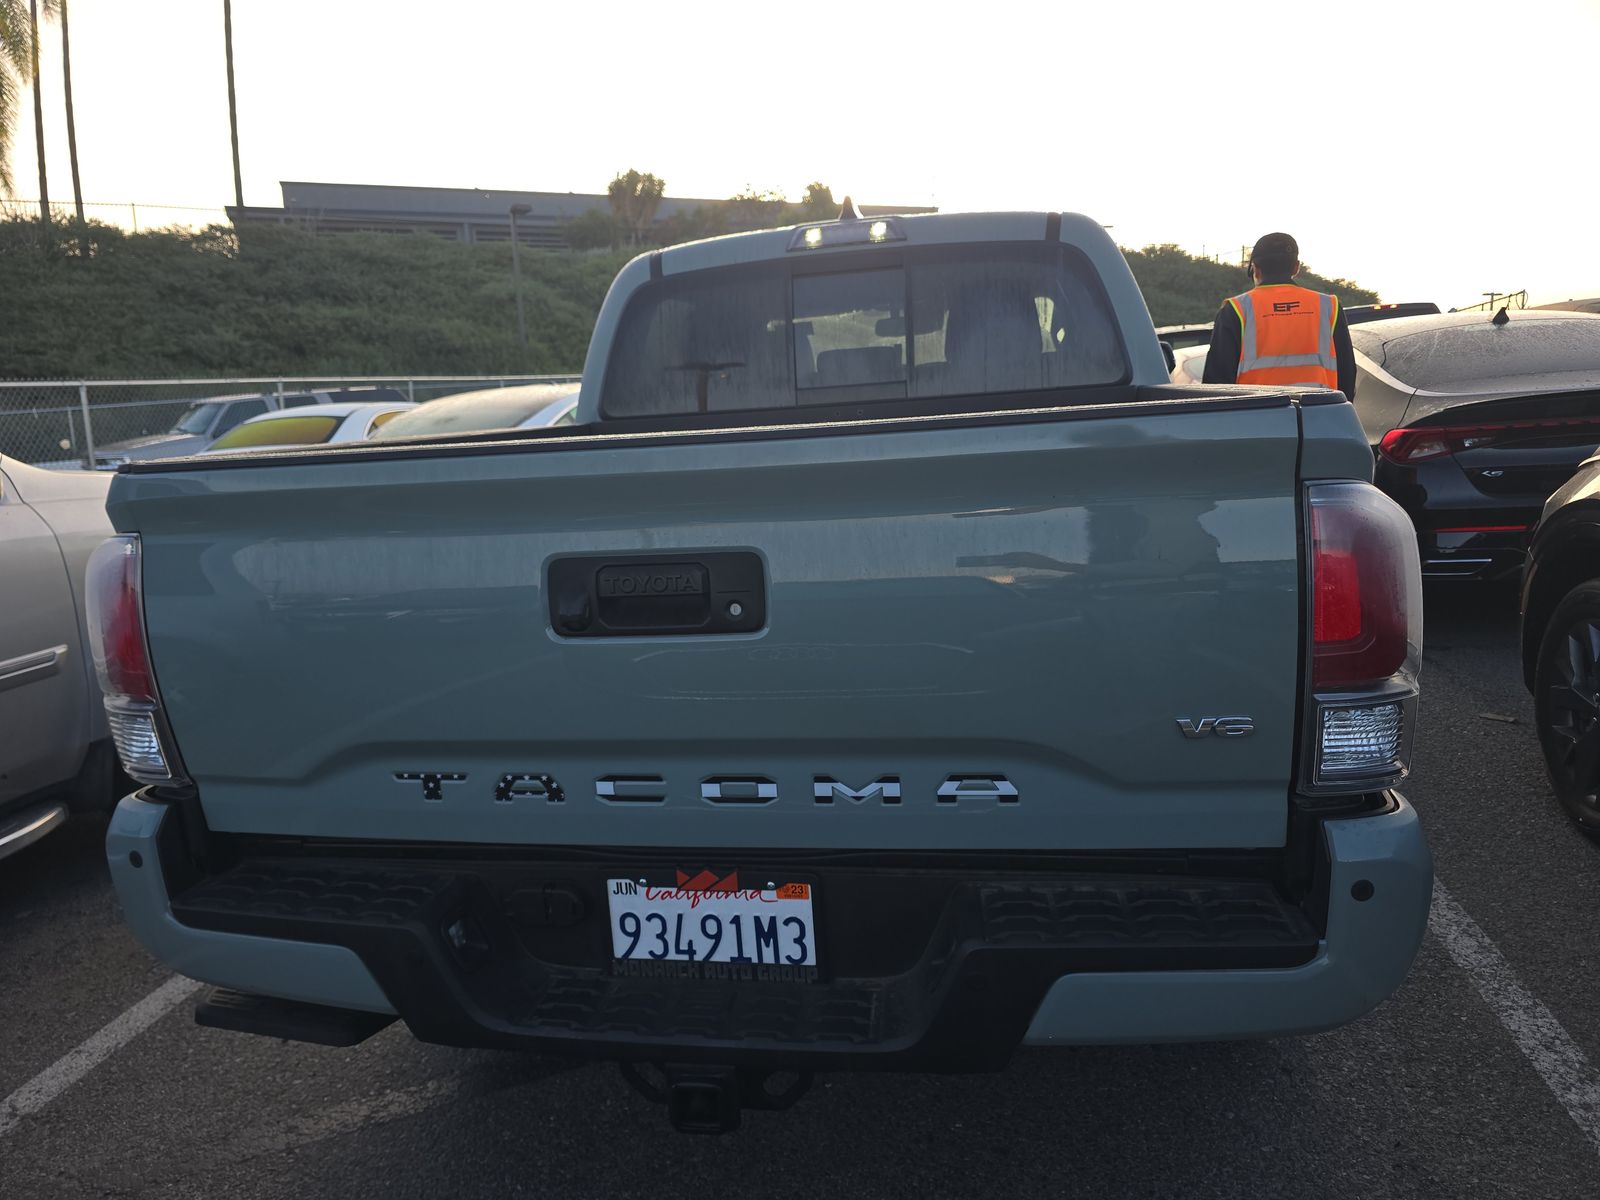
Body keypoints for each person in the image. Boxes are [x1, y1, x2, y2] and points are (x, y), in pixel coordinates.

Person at [1203, 232, 1356, 402]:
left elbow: (1216, 382)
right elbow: (1347, 373)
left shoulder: (1235, 309)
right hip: (1321, 415)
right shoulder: (1329, 306)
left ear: (1255, 269)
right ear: (1296, 268)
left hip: (1254, 416)